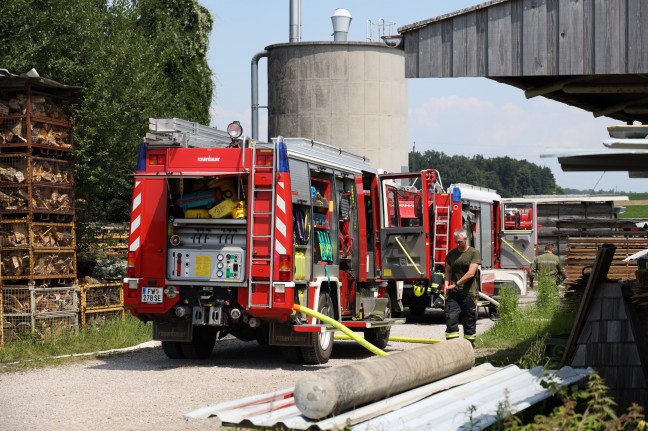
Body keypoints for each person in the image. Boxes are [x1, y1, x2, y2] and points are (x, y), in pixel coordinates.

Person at [444, 229, 481, 345]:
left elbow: (471, 273)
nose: (458, 244)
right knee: (451, 317)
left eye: (460, 242)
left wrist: (456, 284)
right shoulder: (451, 254)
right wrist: (446, 285)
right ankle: (453, 345)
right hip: (454, 293)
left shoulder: (474, 253)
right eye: (456, 242)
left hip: (468, 292)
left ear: (466, 239)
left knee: (469, 319)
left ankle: (469, 345)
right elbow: (448, 271)